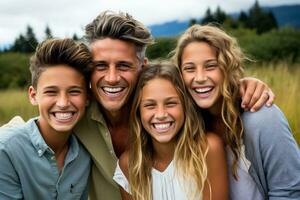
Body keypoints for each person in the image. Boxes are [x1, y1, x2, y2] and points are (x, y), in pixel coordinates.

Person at [3, 11, 275, 200]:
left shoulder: (164, 111)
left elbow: (206, 92)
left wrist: (242, 85)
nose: (111, 78)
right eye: (100, 66)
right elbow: (34, 126)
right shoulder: (76, 112)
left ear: (142, 67)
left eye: (123, 66)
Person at [172, 24, 300, 199]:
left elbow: (289, 191)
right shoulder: (186, 123)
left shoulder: (262, 117)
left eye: (211, 66)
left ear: (228, 67)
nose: (200, 78)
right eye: (189, 68)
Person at [113, 62, 228, 200]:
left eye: (170, 103)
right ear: (138, 111)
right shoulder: (130, 164)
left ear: (186, 106)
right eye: (150, 105)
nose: (161, 114)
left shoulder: (207, 149)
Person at [0, 38, 92, 200]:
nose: (63, 103)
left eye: (74, 91)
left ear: (87, 98)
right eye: (51, 92)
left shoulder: (86, 154)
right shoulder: (6, 151)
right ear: (33, 96)